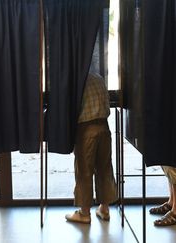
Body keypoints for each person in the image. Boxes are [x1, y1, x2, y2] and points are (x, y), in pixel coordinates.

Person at [65, 72, 118, 224]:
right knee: (104, 168)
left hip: (86, 128)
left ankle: (84, 213)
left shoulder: (76, 79)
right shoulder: (98, 77)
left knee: (84, 170)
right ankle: (104, 209)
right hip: (104, 127)